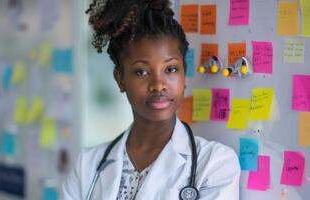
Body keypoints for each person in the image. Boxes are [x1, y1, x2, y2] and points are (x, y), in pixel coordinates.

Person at [62, 0, 240, 199]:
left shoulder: (214, 163)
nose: (159, 84)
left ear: (184, 74)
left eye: (171, 69)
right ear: (120, 79)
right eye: (142, 72)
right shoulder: (88, 164)